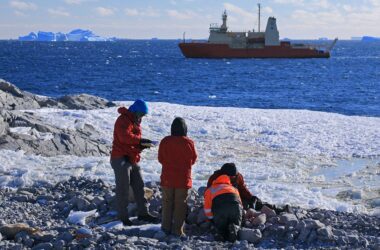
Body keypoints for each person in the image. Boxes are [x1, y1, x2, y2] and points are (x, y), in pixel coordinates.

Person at [110, 99, 158, 226]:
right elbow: (124, 137)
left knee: (139, 185)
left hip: (131, 157)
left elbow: (132, 141)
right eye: (141, 114)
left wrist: (142, 146)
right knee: (123, 188)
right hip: (120, 157)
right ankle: (123, 217)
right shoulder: (123, 120)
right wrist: (140, 141)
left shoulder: (135, 121)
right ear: (135, 111)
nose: (142, 117)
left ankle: (143, 213)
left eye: (143, 115)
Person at [158, 117, 197, 237]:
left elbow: (160, 158)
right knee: (180, 204)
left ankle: (165, 228)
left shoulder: (165, 141)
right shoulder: (188, 142)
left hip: (167, 178)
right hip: (182, 178)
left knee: (167, 202)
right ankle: (177, 230)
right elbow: (193, 159)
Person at [207, 163, 290, 214]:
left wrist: (251, 197)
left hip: (236, 197)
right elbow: (208, 193)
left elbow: (242, 189)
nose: (234, 177)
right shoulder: (214, 178)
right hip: (221, 201)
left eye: (235, 175)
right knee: (244, 207)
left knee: (255, 202)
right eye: (232, 176)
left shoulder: (238, 176)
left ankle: (276, 210)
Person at [204, 174, 243, 242]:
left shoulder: (210, 189)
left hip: (220, 209)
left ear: (215, 181)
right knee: (236, 223)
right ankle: (234, 228)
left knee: (221, 227)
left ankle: (221, 234)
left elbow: (207, 208)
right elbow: (240, 205)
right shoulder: (234, 189)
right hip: (235, 208)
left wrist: (211, 219)